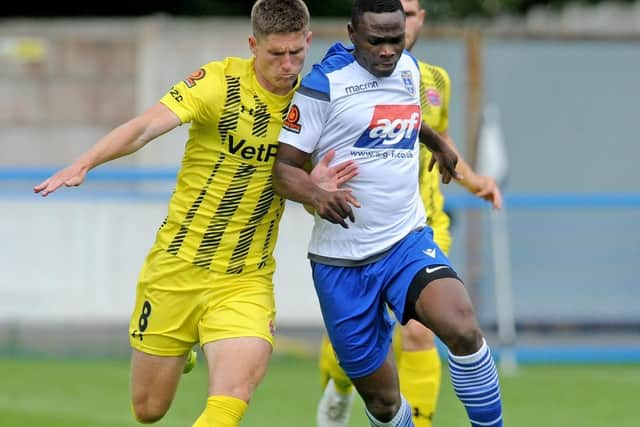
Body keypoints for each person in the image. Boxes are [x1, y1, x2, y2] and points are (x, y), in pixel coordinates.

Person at [33, 1, 356, 426]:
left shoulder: (312, 103)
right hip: (176, 268)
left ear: (308, 41)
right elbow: (145, 127)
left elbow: (300, 177)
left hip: (245, 277)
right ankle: (184, 344)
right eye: (276, 54)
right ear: (252, 45)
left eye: (296, 52)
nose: (288, 64)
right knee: (148, 410)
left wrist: (319, 186)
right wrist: (85, 162)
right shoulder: (218, 82)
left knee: (233, 394)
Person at [272, 0, 504, 426]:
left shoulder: (409, 70)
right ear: (352, 34)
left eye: (395, 41)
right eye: (376, 41)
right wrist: (316, 194)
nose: (387, 51)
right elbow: (282, 169)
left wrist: (437, 143)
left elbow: (407, 114)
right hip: (342, 262)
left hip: (406, 242)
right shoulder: (323, 86)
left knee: (463, 327)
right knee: (383, 402)